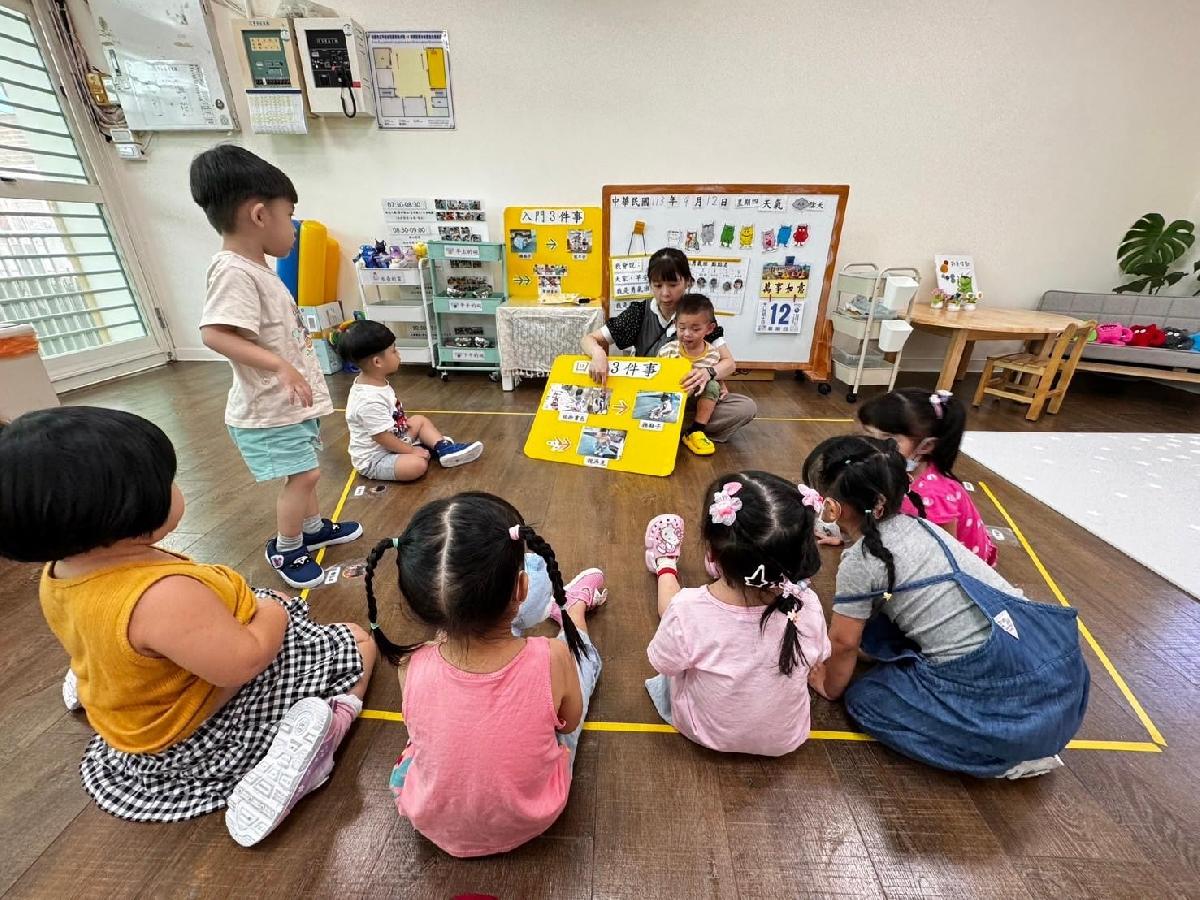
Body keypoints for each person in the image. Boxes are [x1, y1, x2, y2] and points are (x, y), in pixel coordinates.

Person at [0, 407, 376, 845]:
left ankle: (95, 677)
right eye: (168, 479)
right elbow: (244, 662)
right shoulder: (161, 595)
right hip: (194, 735)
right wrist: (274, 609)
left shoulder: (61, 572)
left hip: (136, 715)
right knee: (356, 640)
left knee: (120, 642)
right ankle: (319, 740)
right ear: (133, 508)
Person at [802, 435, 1089, 779]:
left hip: (996, 692)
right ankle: (1005, 740)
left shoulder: (862, 561)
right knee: (883, 626)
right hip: (1055, 673)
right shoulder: (921, 525)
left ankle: (995, 756)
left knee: (865, 699)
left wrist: (828, 686)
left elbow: (845, 642)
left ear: (832, 509)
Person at [365, 492, 609, 857]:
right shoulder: (551, 655)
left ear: (421, 604)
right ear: (522, 590)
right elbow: (568, 724)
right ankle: (573, 610)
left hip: (432, 819)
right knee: (583, 661)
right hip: (531, 816)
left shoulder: (410, 664)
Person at [191, 144, 361, 590]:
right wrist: (279, 367)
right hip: (267, 410)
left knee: (306, 467)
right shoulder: (234, 271)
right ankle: (287, 547)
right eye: (290, 217)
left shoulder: (258, 269)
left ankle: (311, 527)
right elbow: (215, 334)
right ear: (260, 215)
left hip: (285, 404)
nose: (294, 229)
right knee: (304, 474)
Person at [640, 472, 830, 756]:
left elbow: (665, 665)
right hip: (785, 738)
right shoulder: (809, 605)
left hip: (705, 731)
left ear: (712, 552)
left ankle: (665, 562)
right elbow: (818, 657)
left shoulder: (688, 608)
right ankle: (757, 570)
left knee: (676, 609)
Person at [581, 247, 756, 443]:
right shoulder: (639, 312)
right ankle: (683, 429)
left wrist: (709, 374)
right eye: (657, 285)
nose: (665, 293)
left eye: (673, 284)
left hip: (688, 397)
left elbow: (729, 363)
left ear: (688, 281)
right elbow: (588, 339)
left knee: (744, 407)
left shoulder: (698, 314)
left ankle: (665, 426)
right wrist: (598, 353)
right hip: (647, 395)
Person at [858, 387, 997, 565]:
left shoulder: (932, 496)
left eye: (887, 440)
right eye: (867, 436)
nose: (871, 447)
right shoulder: (895, 469)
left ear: (926, 446)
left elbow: (946, 555)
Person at [338, 320, 482, 482]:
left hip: (395, 439)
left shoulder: (376, 382)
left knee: (419, 420)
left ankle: (443, 448)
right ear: (377, 362)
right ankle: (426, 448)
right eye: (393, 351)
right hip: (376, 458)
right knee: (417, 466)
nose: (398, 354)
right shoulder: (368, 400)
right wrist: (411, 451)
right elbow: (382, 437)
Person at [656, 293, 727, 456]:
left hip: (698, 400)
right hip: (673, 397)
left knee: (713, 385)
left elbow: (717, 376)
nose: (687, 334)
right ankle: (666, 427)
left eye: (695, 329)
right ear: (675, 325)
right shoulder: (668, 350)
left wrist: (722, 386)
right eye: (682, 328)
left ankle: (696, 430)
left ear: (709, 329)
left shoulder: (713, 354)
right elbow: (658, 376)